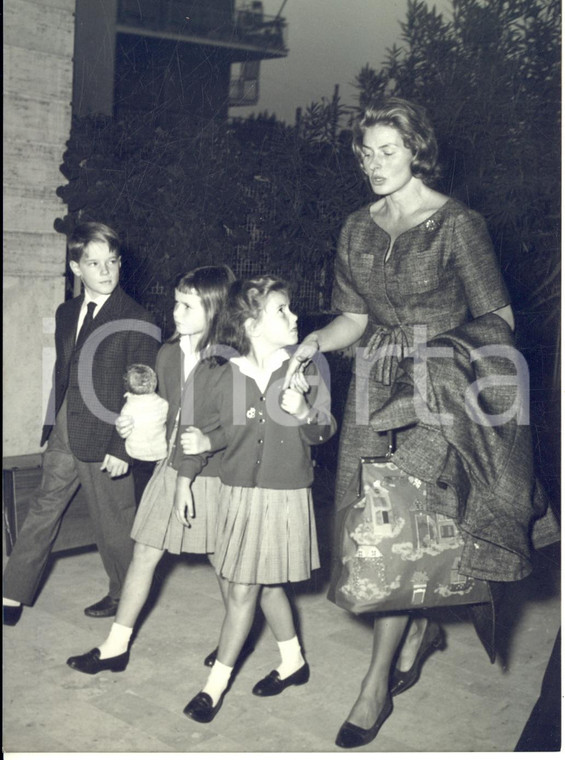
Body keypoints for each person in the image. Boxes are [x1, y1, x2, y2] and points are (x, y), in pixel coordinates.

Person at [286, 98, 516, 748]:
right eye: (366, 153)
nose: (375, 164)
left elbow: (499, 319)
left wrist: (440, 353)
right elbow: (352, 320)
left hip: (435, 394)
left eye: (388, 150)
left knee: (400, 535)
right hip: (371, 389)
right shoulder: (357, 227)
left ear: (416, 149)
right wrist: (312, 344)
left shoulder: (457, 225)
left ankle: (375, 686)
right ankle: (418, 627)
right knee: (368, 533)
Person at [179, 275, 336, 724]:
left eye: (291, 309)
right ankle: (293, 662)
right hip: (238, 494)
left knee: (244, 587)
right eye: (282, 311)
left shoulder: (306, 368)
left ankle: (213, 689)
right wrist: (198, 453)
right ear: (250, 324)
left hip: (284, 496)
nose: (295, 317)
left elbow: (325, 431)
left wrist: (304, 412)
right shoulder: (225, 373)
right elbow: (224, 432)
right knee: (264, 585)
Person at [65, 265, 237, 675]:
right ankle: (115, 647)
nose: (175, 313)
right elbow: (155, 411)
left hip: (213, 475)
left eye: (186, 306)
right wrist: (129, 424)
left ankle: (235, 638)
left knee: (228, 570)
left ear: (214, 310)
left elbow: (237, 428)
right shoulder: (167, 354)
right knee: (144, 553)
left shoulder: (230, 362)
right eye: (175, 303)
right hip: (169, 467)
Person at [3, 222, 160, 625]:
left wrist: (123, 448)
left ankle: (125, 597)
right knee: (43, 507)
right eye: (94, 263)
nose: (105, 271)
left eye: (112, 262)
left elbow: (142, 392)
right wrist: (52, 421)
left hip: (109, 434)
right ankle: (12, 593)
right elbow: (63, 369)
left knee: (114, 523)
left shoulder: (138, 318)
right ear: (76, 267)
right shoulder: (67, 311)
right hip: (66, 427)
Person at [121, 363, 169, 462]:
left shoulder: (127, 409)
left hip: (136, 453)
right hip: (160, 452)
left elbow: (124, 431)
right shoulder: (163, 404)